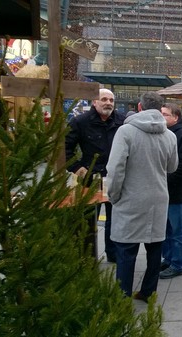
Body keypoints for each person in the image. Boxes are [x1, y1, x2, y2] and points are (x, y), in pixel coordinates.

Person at [106, 92, 178, 302]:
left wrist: (114, 196)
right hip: (158, 199)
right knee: (154, 249)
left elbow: (115, 169)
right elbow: (172, 167)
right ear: (160, 108)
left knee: (126, 251)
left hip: (130, 198)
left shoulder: (125, 132)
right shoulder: (170, 135)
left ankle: (123, 296)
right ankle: (148, 292)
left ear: (139, 107)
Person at [65, 88, 125, 263]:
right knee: (89, 220)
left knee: (115, 220)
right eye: (104, 99)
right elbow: (64, 148)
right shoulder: (80, 122)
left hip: (116, 178)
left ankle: (113, 255)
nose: (108, 103)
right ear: (94, 102)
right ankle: (87, 256)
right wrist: (77, 168)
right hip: (90, 179)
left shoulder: (122, 121)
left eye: (111, 100)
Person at [159, 103, 182, 279]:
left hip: (176, 192)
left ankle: (179, 264)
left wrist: (166, 179)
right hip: (165, 192)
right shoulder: (166, 133)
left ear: (175, 117)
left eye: (166, 114)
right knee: (166, 229)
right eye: (161, 114)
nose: (162, 117)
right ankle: (169, 259)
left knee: (178, 230)